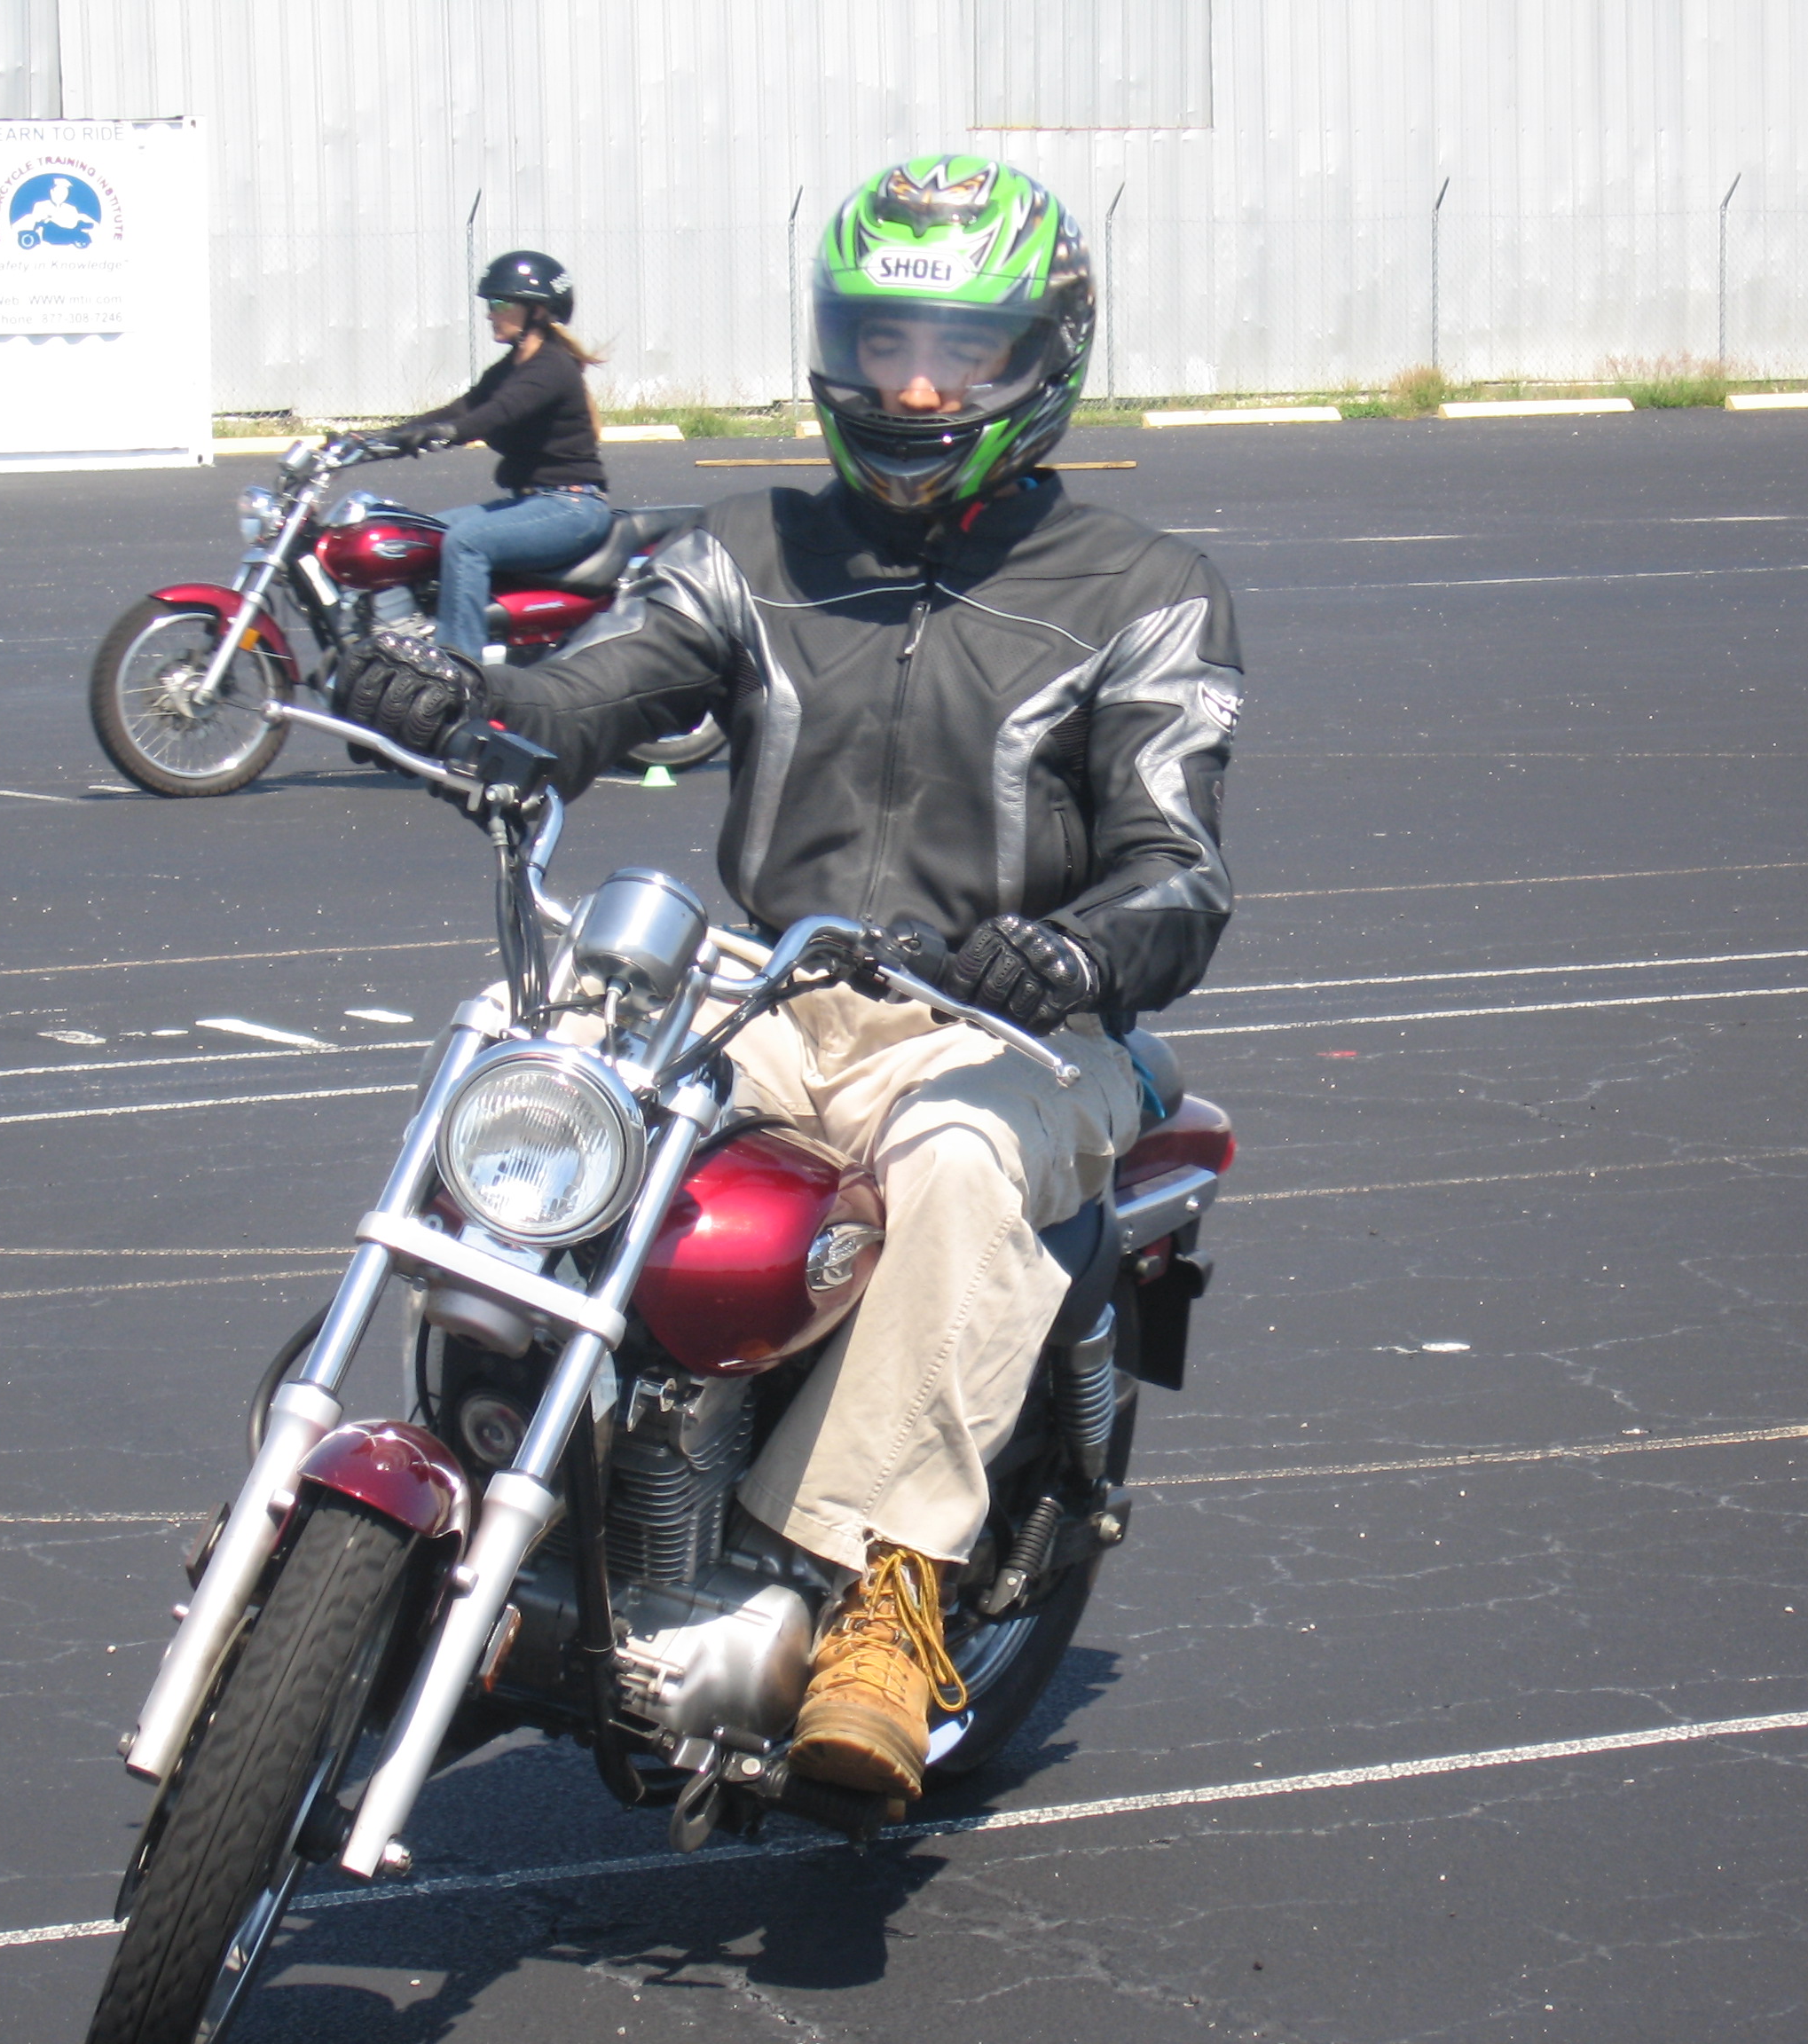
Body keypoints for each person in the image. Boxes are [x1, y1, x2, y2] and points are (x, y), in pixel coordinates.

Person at [438, 157, 1240, 1800]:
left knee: (952, 1161)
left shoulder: (1144, 589)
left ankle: (885, 1588)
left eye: (961, 351)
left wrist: (1077, 943)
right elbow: (604, 683)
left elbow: (1179, 862)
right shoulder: (749, 547)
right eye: (884, 345)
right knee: (529, 1057)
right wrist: (482, 706)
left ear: (1041, 361)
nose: (918, 388)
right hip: (768, 990)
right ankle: (475, 1455)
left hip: (1013, 1023)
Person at [376, 250, 613, 670]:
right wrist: (384, 437)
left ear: (537, 310)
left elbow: (495, 415)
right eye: (490, 304)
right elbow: (464, 408)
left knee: (466, 542)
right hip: (531, 503)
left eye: (501, 303)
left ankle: (457, 672)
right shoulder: (512, 367)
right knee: (419, 537)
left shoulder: (551, 367)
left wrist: (447, 434)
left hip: (572, 507)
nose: (490, 313)